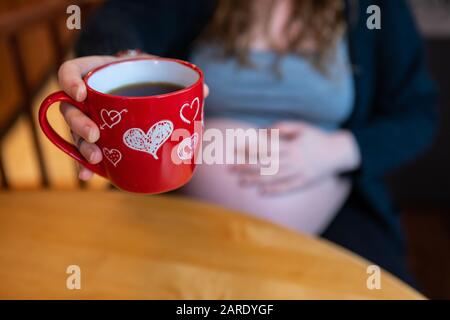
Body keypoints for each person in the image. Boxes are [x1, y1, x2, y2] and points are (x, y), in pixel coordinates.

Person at [57, 0, 437, 287]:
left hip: (337, 223)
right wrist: (120, 66)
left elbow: (419, 113)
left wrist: (337, 150)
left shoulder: (371, 8)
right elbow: (118, 21)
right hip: (179, 220)